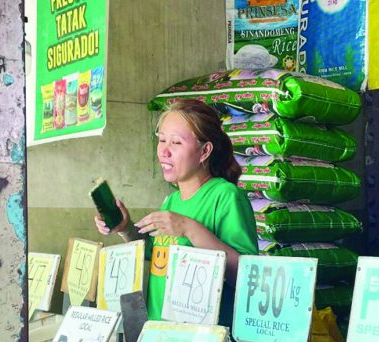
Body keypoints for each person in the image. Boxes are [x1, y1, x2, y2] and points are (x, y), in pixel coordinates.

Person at [94, 99, 258, 326]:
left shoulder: (226, 197)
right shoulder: (172, 201)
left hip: (201, 340)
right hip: (161, 330)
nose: (164, 151)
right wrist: (126, 228)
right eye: (161, 140)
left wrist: (189, 228)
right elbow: (158, 255)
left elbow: (245, 275)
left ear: (204, 151)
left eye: (176, 142)